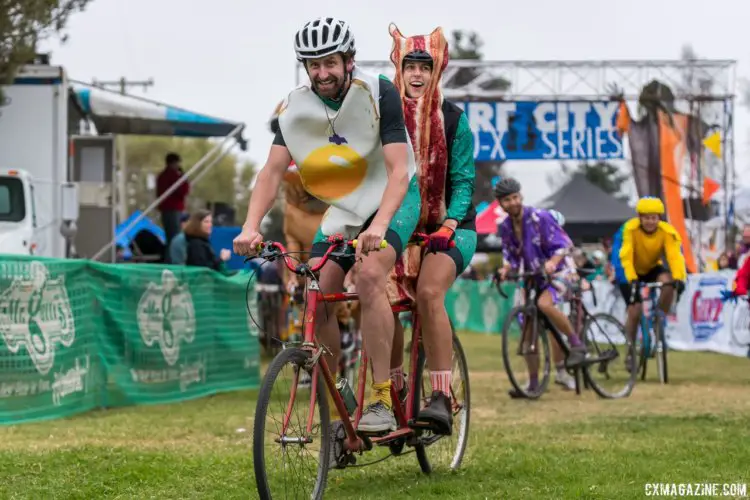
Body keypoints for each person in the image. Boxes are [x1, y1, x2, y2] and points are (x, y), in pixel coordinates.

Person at [232, 17, 421, 438]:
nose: (322, 73)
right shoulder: (294, 107)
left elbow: (396, 171)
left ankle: (381, 396)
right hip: (346, 209)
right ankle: (338, 393)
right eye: (313, 65)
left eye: (330, 62)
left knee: (371, 276)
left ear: (348, 60)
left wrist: (381, 226)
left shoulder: (378, 92)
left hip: (394, 198)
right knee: (315, 286)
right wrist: (250, 226)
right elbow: (270, 172)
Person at [385, 24, 477, 434]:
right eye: (410, 65)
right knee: (381, 300)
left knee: (427, 292)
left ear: (438, 68)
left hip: (451, 228)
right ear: (398, 68)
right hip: (397, 225)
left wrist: (450, 224)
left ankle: (440, 395)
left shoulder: (455, 121)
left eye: (426, 65)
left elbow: (463, 183)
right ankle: (390, 392)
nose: (417, 74)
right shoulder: (383, 119)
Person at [494, 178, 587, 396]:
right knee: (528, 332)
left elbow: (564, 245)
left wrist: (553, 262)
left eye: (515, 197)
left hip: (561, 272)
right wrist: (505, 269)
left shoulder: (540, 217)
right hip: (532, 276)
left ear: (521, 196)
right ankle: (533, 384)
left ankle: (576, 344)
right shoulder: (505, 227)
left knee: (544, 304)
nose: (513, 202)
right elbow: (510, 254)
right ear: (500, 203)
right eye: (507, 200)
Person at [610, 196, 686, 372]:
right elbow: (624, 256)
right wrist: (630, 279)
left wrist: (679, 278)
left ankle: (659, 318)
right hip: (628, 270)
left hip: (652, 268)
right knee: (635, 310)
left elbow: (674, 256)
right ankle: (630, 351)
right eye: (646, 217)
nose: (650, 221)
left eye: (654, 217)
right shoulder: (629, 229)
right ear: (640, 217)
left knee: (668, 283)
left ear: (659, 218)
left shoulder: (667, 232)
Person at [156, 153, 190, 248]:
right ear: (173, 163)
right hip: (173, 209)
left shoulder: (162, 176)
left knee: (169, 236)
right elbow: (184, 190)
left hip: (165, 210)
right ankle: (172, 260)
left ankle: (169, 258)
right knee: (175, 237)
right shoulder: (174, 177)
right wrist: (183, 177)